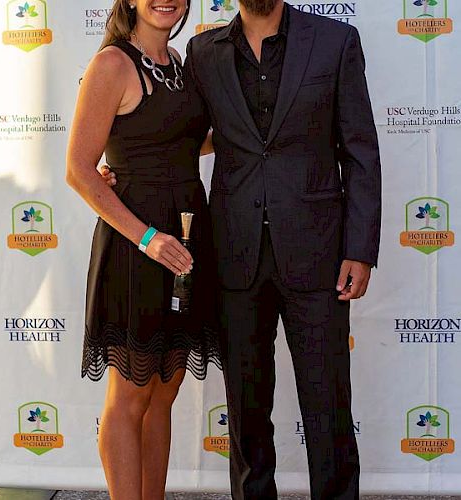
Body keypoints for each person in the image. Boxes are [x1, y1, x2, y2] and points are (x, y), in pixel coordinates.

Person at [103, 0, 381, 498]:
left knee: (329, 407)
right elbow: (179, 128)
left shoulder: (335, 41)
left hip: (318, 256)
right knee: (247, 414)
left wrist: (359, 250)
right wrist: (122, 165)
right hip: (232, 254)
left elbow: (359, 150)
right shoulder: (201, 52)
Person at [65, 0, 221, 499]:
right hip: (138, 247)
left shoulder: (180, 63)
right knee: (131, 394)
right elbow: (79, 170)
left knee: (164, 393)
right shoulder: (113, 63)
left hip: (188, 238)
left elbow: (179, 138)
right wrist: (148, 238)